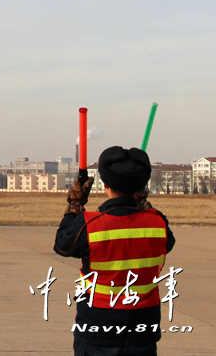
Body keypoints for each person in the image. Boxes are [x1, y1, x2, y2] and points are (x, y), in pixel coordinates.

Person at [54, 146, 175, 356]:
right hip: (143, 328)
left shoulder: (89, 224)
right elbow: (168, 243)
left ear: (105, 183)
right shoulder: (158, 224)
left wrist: (75, 204)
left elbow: (62, 245)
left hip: (97, 327)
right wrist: (143, 203)